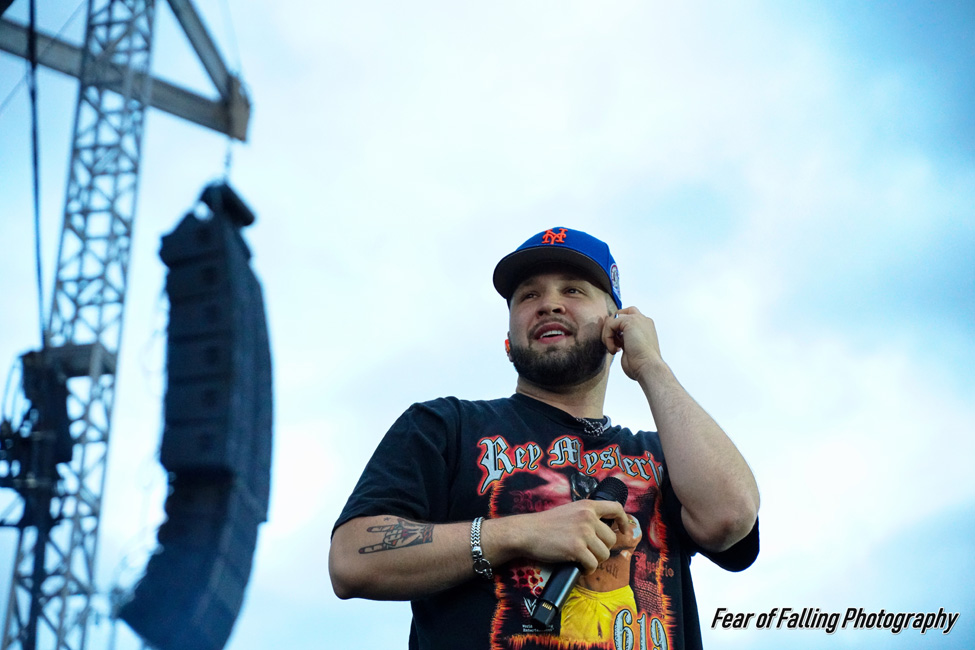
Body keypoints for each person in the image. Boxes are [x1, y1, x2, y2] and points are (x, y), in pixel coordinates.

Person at [329, 227, 760, 650]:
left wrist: (651, 365)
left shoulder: (667, 454)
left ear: (618, 324)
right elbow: (352, 560)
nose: (549, 304)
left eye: (573, 290)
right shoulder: (444, 425)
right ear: (509, 336)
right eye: (529, 295)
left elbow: (731, 516)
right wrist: (518, 533)